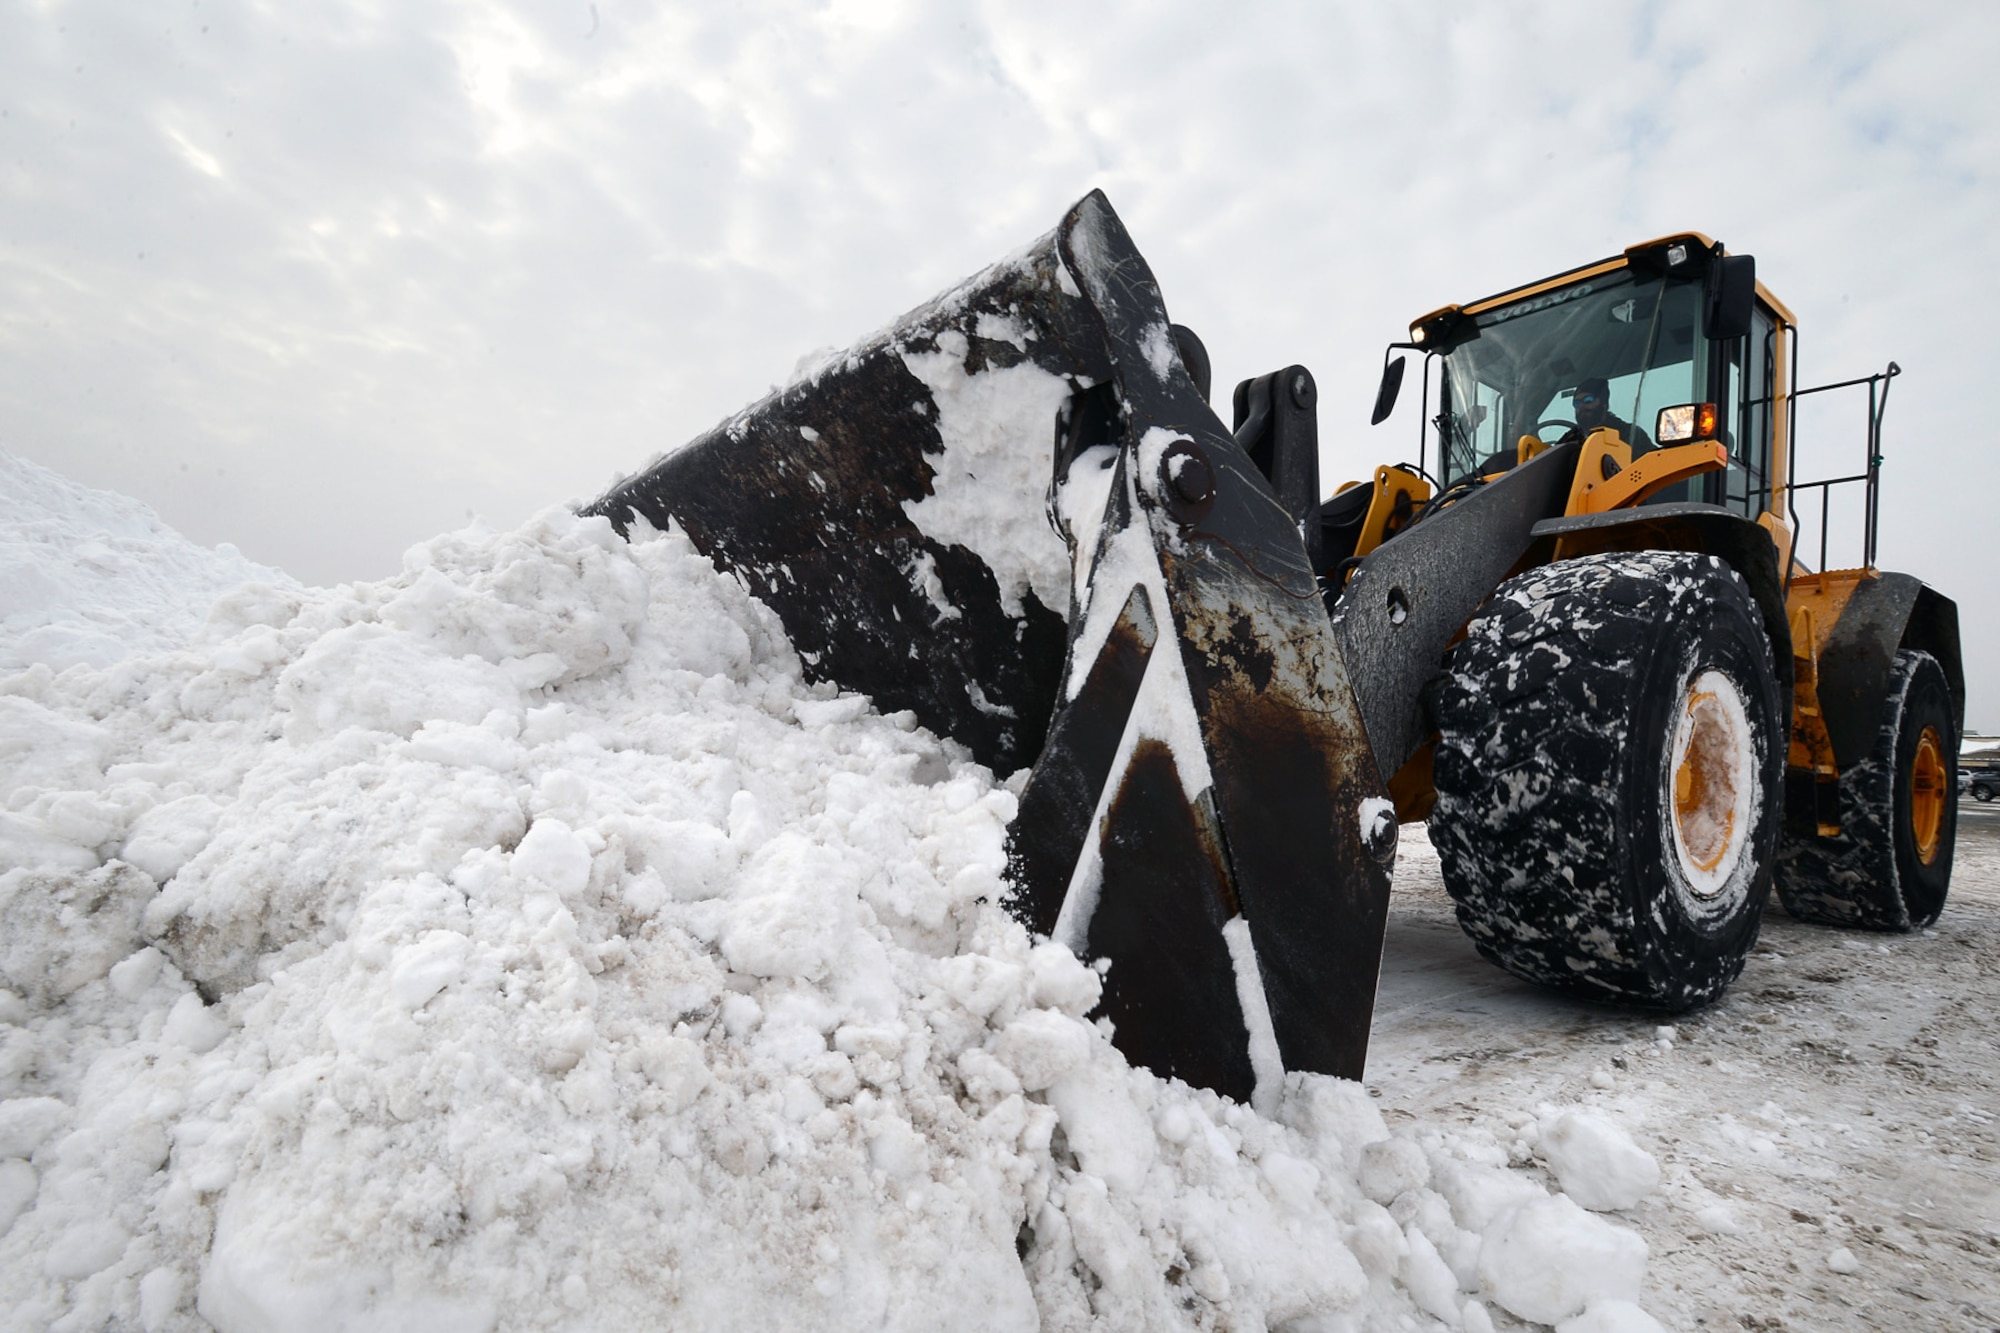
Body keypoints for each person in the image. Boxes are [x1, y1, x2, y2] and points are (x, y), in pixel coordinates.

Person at [1561, 376, 1653, 451]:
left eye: (1588, 400)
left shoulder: (1630, 435)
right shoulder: (1571, 438)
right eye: (1577, 403)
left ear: (1603, 403)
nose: (1581, 407)